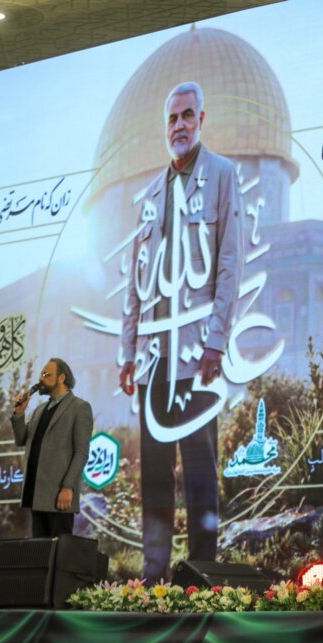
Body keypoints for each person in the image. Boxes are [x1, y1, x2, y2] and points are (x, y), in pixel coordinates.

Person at [118, 81, 244, 582]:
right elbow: (136, 281)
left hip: (196, 355)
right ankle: (154, 572)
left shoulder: (221, 176)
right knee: (154, 470)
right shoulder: (151, 195)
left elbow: (230, 264)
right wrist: (127, 353)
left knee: (198, 469)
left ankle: (201, 573)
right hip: (154, 358)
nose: (179, 125)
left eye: (187, 115)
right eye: (172, 118)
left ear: (201, 120)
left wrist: (216, 340)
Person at [12, 358, 94, 537]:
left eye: (47, 374)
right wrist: (19, 413)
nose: (41, 379)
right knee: (40, 550)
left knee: (59, 549)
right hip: (36, 493)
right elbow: (21, 439)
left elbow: (81, 452)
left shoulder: (79, 408)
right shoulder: (39, 410)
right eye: (41, 374)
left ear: (62, 378)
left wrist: (68, 487)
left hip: (59, 495)